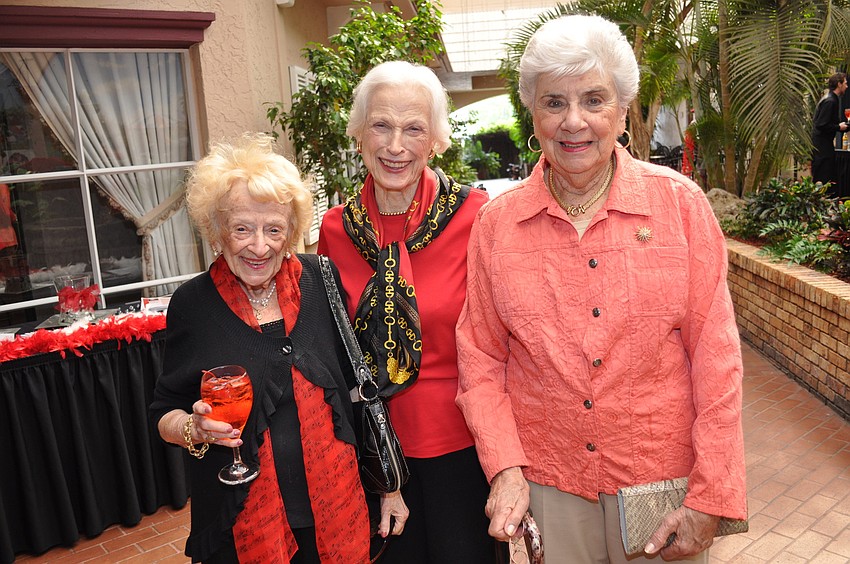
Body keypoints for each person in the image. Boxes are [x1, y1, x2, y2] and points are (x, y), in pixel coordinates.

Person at [455, 15, 747, 563]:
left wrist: (711, 495)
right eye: (554, 102)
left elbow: (717, 358)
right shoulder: (497, 225)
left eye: (593, 99)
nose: (574, 122)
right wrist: (505, 469)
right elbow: (481, 357)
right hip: (548, 483)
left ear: (621, 108)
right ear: (532, 113)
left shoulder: (680, 208)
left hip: (661, 482)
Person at [150, 133, 407, 564]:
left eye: (274, 229)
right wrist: (193, 429)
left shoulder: (320, 280)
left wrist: (390, 486)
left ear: (291, 232)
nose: (259, 246)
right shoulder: (192, 305)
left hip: (339, 509)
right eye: (242, 229)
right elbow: (164, 411)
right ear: (216, 232)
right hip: (240, 522)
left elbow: (359, 392)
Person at [317, 61, 495, 563]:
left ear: (435, 139)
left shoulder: (477, 217)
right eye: (381, 125)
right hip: (373, 452)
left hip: (464, 449)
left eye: (413, 128)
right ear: (359, 134)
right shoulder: (334, 230)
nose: (396, 145)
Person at [811, 71, 849, 192]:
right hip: (822, 147)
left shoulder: (831, 99)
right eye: (845, 83)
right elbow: (821, 124)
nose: (847, 86)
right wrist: (839, 127)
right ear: (839, 84)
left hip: (823, 145)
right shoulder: (830, 101)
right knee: (823, 176)